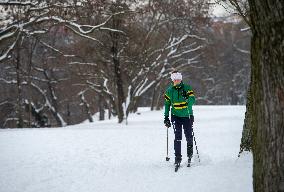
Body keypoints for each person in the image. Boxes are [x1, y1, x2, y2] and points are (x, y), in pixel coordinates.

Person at [164, 71, 195, 167]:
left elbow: (192, 100)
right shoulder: (169, 91)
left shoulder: (187, 88)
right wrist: (166, 117)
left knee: (189, 136)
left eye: (178, 79)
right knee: (178, 137)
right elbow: (167, 105)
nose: (177, 80)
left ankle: (189, 155)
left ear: (181, 79)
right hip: (175, 117)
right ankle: (178, 158)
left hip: (187, 116)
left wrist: (188, 99)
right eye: (175, 79)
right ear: (172, 80)